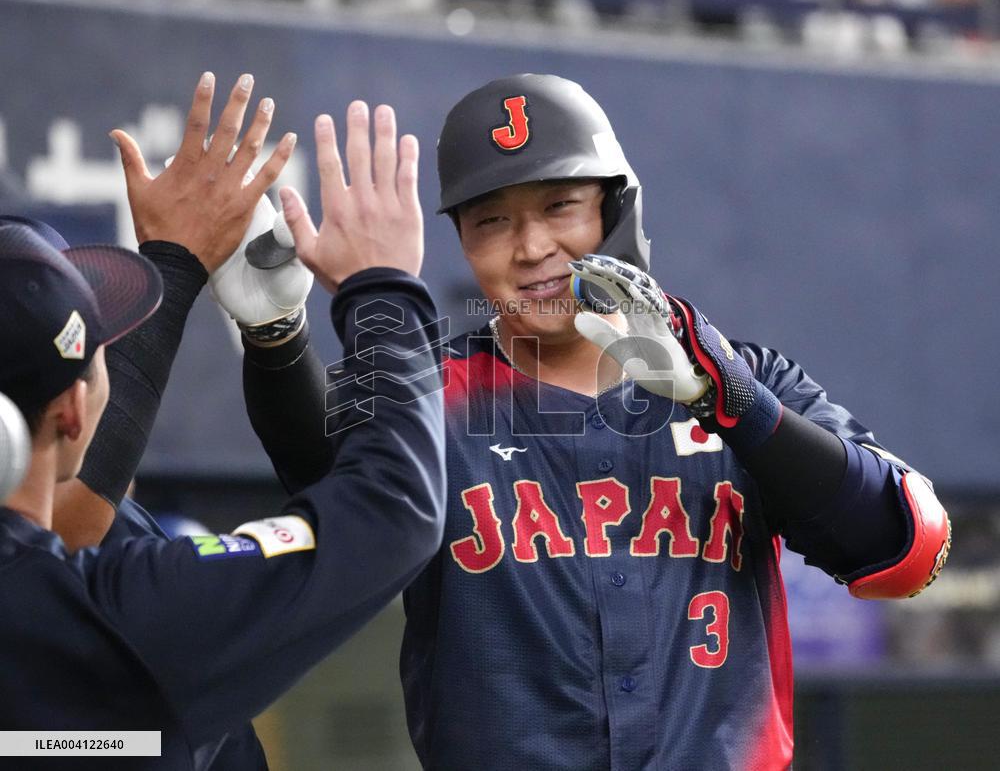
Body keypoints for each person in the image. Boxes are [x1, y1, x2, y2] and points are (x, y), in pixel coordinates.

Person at [243, 73, 950, 769]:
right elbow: (328, 497)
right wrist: (275, 336)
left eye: (560, 206)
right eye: (493, 220)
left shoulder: (747, 379)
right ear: (461, 240)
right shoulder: (424, 391)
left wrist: (731, 403)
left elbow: (907, 551)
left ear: (615, 212)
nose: (530, 246)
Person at [0, 72, 445, 769]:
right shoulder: (119, 617)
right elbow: (391, 509)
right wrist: (383, 290)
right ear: (73, 408)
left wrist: (276, 337)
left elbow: (67, 523)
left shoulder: (88, 585)